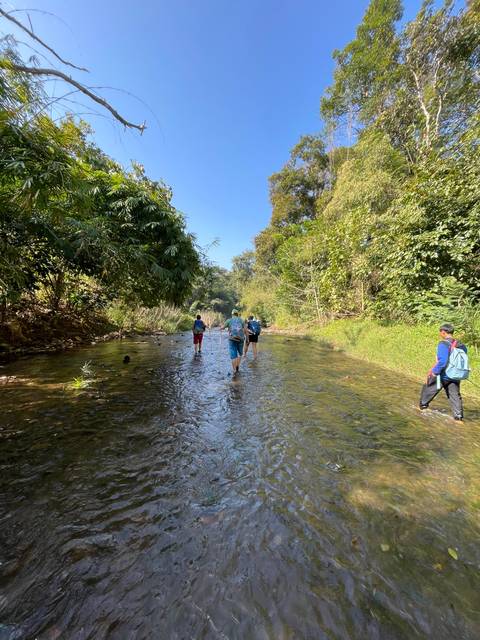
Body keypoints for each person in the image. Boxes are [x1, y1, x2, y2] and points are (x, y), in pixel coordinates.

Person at [419, 323, 467, 421]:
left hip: (443, 375)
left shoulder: (443, 344)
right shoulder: (462, 345)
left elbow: (443, 361)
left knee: (428, 387)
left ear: (443, 332)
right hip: (455, 375)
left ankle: (422, 408)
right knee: (455, 395)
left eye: (440, 332)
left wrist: (434, 372)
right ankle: (458, 418)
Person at [223, 309, 246, 374]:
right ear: (237, 314)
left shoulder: (229, 320)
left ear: (232, 314)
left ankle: (234, 370)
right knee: (240, 354)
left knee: (233, 355)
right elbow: (245, 330)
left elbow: (223, 327)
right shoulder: (241, 320)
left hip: (232, 339)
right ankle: (237, 366)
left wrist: (221, 328)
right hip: (241, 339)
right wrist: (247, 339)